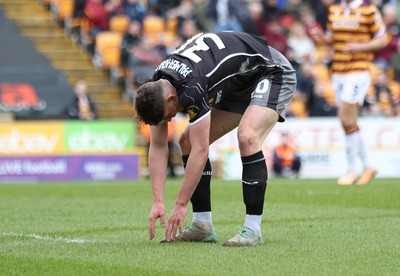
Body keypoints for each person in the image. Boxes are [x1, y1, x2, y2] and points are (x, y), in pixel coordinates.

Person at [133, 31, 296, 246]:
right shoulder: (157, 84)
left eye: (169, 115)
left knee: (247, 137)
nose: (172, 118)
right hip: (236, 79)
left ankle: (253, 229)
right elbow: (158, 146)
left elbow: (201, 151)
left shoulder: (191, 87)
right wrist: (157, 201)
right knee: (186, 141)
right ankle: (202, 226)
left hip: (269, 70)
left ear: (172, 98)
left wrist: (181, 204)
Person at [315, 0, 388, 185]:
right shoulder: (335, 10)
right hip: (338, 71)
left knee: (345, 118)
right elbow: (332, 38)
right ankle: (369, 165)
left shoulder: (369, 10)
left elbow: (383, 39)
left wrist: (360, 47)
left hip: (358, 70)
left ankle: (350, 170)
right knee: (350, 122)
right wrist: (321, 39)